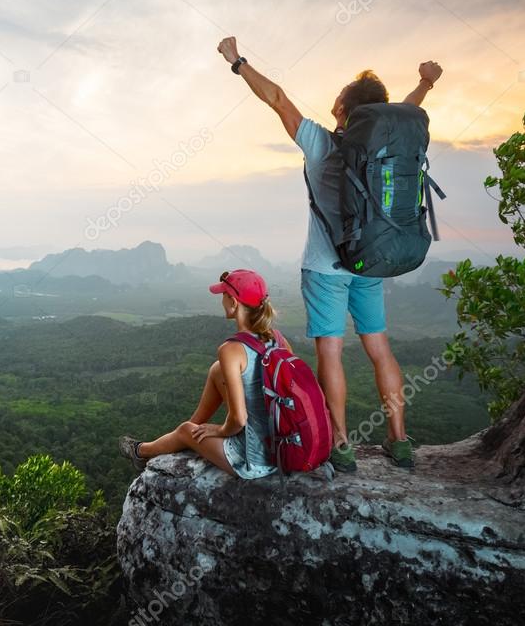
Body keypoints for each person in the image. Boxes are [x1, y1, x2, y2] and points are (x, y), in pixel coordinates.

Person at [215, 36, 442, 471]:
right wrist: (425, 84)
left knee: (331, 352)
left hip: (325, 269)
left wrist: (238, 61)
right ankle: (399, 439)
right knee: (379, 348)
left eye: (338, 100)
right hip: (373, 258)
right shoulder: (385, 147)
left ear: (343, 110)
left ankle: (341, 443)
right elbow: (408, 113)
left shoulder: (321, 143)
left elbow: (277, 98)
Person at [119, 269, 286, 478]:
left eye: (223, 296)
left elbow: (239, 419)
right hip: (280, 443)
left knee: (184, 430)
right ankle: (191, 434)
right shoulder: (278, 339)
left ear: (233, 302)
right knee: (217, 370)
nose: (222, 301)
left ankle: (140, 452)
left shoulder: (231, 349)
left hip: (256, 459)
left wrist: (219, 430)